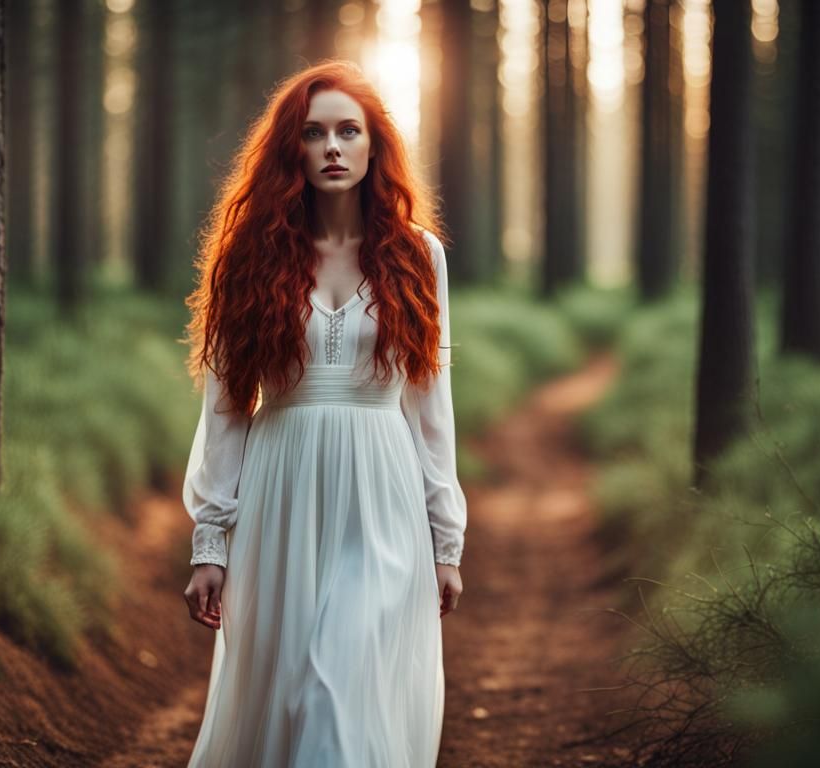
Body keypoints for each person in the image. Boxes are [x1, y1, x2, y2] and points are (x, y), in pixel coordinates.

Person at [179, 59, 468, 767]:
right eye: (314, 133)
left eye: (348, 131)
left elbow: (431, 407)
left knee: (339, 685)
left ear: (375, 147)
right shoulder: (250, 255)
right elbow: (225, 408)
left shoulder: (417, 255)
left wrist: (446, 539)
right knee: (291, 690)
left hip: (383, 495)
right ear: (292, 150)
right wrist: (210, 542)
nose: (333, 147)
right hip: (281, 493)